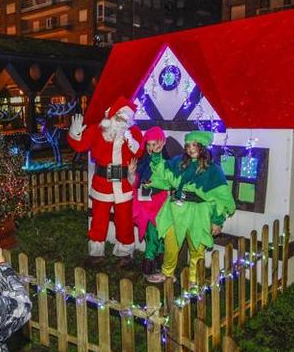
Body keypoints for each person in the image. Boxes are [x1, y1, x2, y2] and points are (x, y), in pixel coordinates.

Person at [147, 131, 236, 284]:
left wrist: (217, 220)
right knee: (170, 244)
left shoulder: (214, 171)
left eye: (194, 145)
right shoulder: (178, 163)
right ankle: (167, 273)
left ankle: (195, 280)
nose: (190, 148)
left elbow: (222, 198)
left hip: (199, 213)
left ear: (202, 146)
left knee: (197, 248)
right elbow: (162, 175)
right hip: (175, 210)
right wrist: (156, 156)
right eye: (188, 145)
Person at [67, 96, 143, 269]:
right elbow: (80, 145)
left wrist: (129, 137)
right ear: (112, 115)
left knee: (124, 221)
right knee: (99, 221)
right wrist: (75, 132)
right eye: (119, 117)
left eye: (125, 118)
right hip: (102, 184)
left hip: (123, 185)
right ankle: (95, 254)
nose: (121, 121)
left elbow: (139, 152)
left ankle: (125, 254)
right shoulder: (97, 130)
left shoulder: (133, 134)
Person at [128, 126, 169, 280]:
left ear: (162, 143)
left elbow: (166, 179)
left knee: (159, 235)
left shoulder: (165, 163)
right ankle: (149, 270)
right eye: (149, 145)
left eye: (155, 144)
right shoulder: (143, 162)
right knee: (150, 236)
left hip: (160, 203)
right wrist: (131, 173)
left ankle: (155, 267)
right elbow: (135, 183)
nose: (151, 148)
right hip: (145, 203)